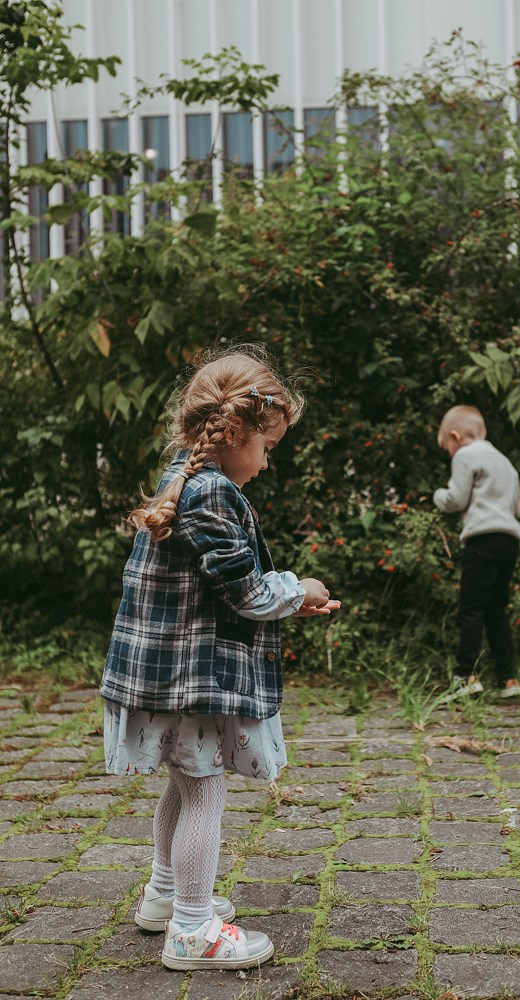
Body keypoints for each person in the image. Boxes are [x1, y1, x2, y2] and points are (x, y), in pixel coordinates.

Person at [100, 347, 340, 972]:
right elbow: (250, 592)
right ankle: (191, 930)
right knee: (204, 792)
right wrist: (299, 589)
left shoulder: (185, 477)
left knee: (183, 784)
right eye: (266, 445)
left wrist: (285, 600)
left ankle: (164, 896)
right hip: (187, 677)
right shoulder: (212, 492)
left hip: (168, 673)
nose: (266, 461)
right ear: (235, 432)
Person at [433, 404, 520, 700]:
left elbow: (457, 499)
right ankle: (508, 679)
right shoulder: (506, 463)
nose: (450, 452)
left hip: (482, 540)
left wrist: (440, 497)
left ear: (456, 436)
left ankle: (464, 676)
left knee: (471, 610)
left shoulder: (465, 455)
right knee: (497, 610)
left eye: (447, 446)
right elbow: (518, 507)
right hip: (509, 540)